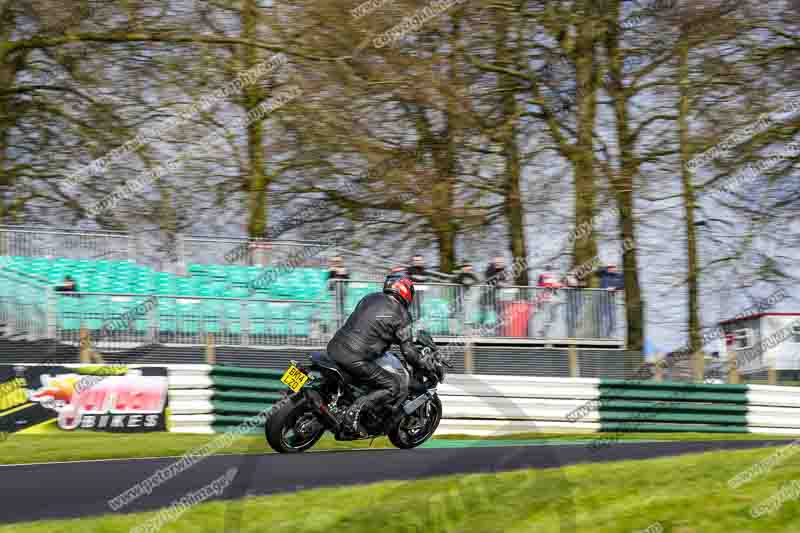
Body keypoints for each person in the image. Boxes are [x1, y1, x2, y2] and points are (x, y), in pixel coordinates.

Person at [326, 272, 438, 437]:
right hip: (355, 358)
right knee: (392, 386)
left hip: (333, 348)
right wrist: (421, 363)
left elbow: (370, 326)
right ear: (405, 291)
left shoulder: (369, 298)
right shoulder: (402, 314)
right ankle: (354, 411)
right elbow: (407, 352)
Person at [479, 256, 510, 326]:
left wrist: (504, 283)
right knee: (485, 310)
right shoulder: (490, 269)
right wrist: (498, 283)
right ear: (494, 262)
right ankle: (481, 324)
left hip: (496, 294)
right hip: (487, 293)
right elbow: (488, 280)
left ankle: (499, 322)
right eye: (498, 262)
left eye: (501, 262)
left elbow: (505, 280)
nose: (500, 264)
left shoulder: (503, 270)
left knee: (499, 308)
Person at [598, 264, 624, 337]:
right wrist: (606, 267)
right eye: (609, 267)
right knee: (603, 318)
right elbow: (597, 270)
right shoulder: (604, 274)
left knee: (613, 318)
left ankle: (610, 335)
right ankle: (603, 335)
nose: (611, 269)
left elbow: (622, 285)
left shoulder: (619, 276)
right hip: (603, 298)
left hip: (613, 299)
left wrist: (614, 288)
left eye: (613, 267)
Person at [326, 256, 350, 328]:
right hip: (335, 291)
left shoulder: (344, 269)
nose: (337, 263)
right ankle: (338, 323)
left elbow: (347, 280)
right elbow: (329, 282)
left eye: (338, 261)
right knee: (336, 309)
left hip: (342, 290)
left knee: (342, 308)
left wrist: (340, 273)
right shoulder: (331, 270)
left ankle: (342, 322)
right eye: (335, 261)